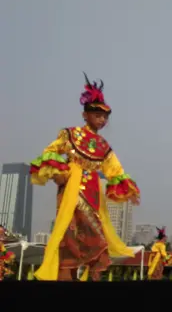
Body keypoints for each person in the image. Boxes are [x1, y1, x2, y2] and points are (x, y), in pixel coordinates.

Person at [30, 73, 140, 281]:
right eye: (97, 114)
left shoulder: (103, 146)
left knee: (96, 240)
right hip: (71, 192)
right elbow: (49, 153)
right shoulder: (70, 134)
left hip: (93, 193)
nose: (102, 119)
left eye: (105, 116)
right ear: (85, 115)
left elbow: (115, 171)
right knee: (69, 238)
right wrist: (58, 175)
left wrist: (129, 192)